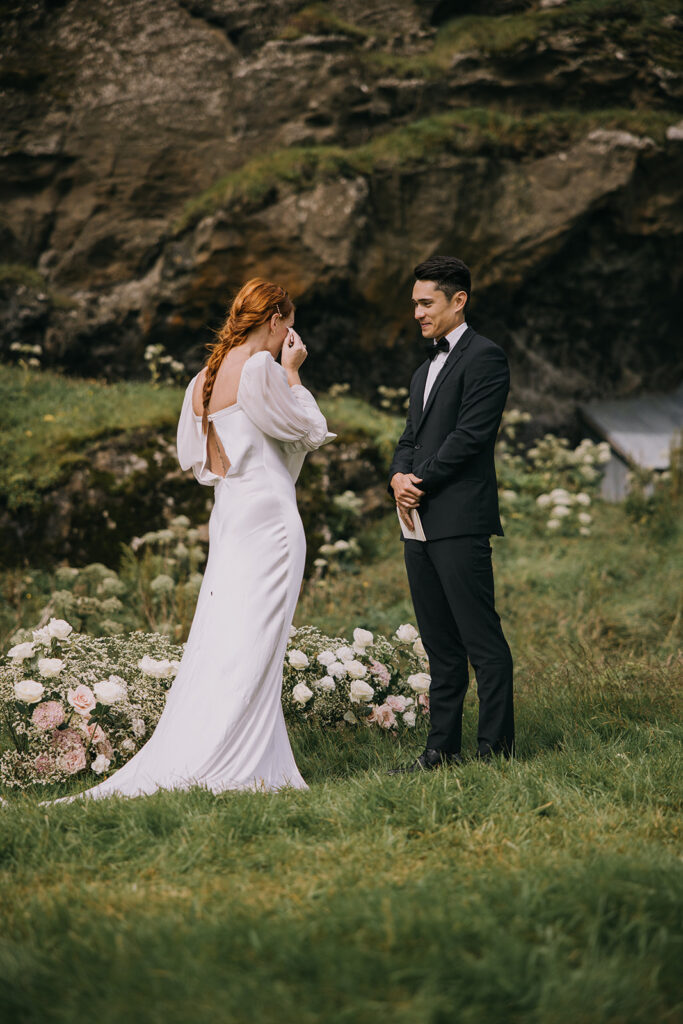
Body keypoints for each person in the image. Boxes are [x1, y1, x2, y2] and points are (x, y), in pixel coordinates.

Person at [49, 277, 334, 801]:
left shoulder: (203, 377)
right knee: (256, 643)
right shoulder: (262, 369)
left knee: (227, 638)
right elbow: (311, 431)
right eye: (288, 327)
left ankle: (251, 758)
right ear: (274, 320)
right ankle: (234, 761)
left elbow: (203, 463)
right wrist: (294, 375)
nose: (289, 337)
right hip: (270, 521)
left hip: (232, 515)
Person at [387, 256, 514, 773]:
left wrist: (419, 480)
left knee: (481, 640)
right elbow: (409, 437)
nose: (417, 313)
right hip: (416, 520)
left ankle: (494, 753)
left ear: (458, 300)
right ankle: (440, 750)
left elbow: (471, 436)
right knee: (439, 644)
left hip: (460, 516)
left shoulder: (486, 357)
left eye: (426, 303)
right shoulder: (423, 370)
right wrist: (397, 475)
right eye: (414, 303)